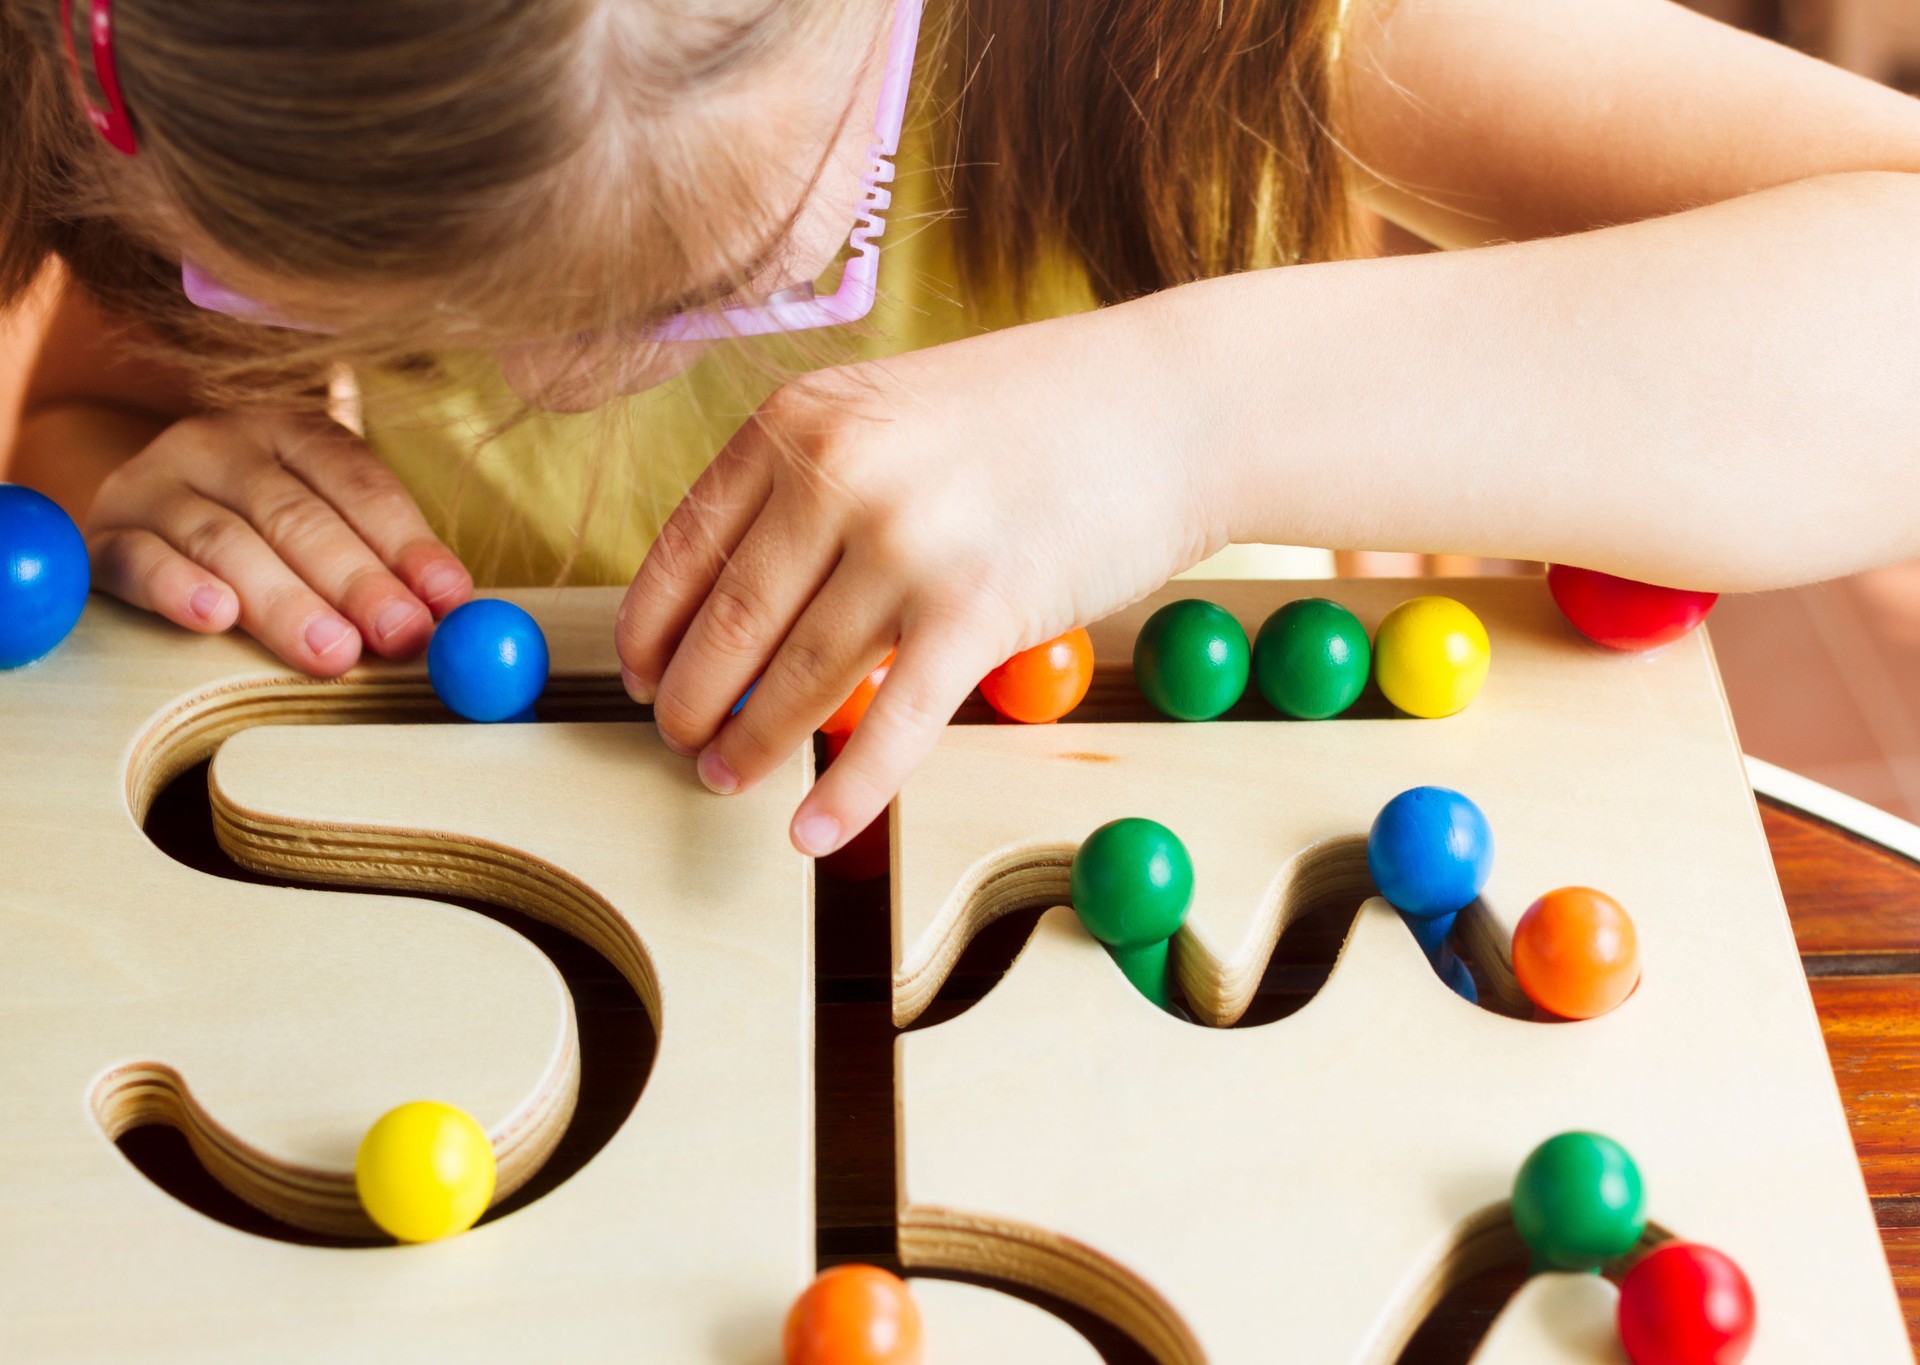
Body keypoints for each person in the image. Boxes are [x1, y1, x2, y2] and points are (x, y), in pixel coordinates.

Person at [5, 0, 1920, 858]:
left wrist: (1179, 419)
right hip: (584, 892)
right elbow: (111, 374)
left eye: (728, 282)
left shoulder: (1206, 26)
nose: (569, 391)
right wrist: (116, 466)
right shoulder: (212, 79)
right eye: (420, 328)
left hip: (1175, 873)